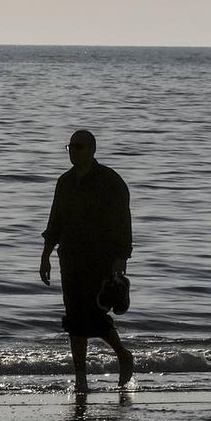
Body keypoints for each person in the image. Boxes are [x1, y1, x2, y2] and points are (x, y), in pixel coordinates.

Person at [39, 129, 134, 393]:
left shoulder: (110, 181)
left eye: (79, 147)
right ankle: (81, 379)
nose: (74, 151)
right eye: (71, 147)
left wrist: (121, 257)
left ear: (92, 149)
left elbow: (123, 221)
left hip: (100, 259)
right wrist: (45, 255)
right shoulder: (65, 182)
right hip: (70, 258)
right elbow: (55, 222)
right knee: (74, 319)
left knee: (93, 315)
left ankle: (123, 355)